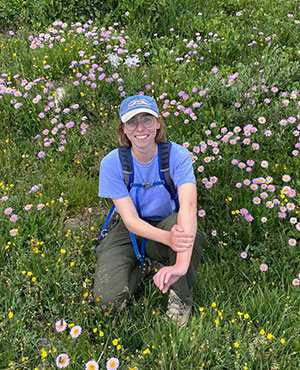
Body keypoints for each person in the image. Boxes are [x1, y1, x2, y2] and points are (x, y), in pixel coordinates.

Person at [93, 94, 206, 325]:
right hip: (128, 230)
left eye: (146, 119)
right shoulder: (112, 164)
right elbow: (131, 219)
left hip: (167, 222)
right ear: (123, 128)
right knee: (107, 303)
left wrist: (181, 265)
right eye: (132, 121)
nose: (140, 128)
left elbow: (189, 206)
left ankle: (180, 298)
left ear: (157, 124)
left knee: (186, 231)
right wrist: (167, 239)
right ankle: (145, 268)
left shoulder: (178, 156)